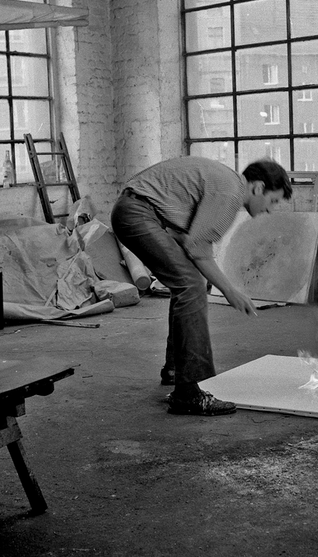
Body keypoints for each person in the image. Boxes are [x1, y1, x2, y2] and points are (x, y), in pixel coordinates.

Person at [110, 156, 292, 417]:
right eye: (273, 201)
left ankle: (176, 371)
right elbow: (197, 248)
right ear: (258, 188)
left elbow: (191, 241)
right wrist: (230, 290)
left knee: (190, 282)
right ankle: (189, 394)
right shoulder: (230, 193)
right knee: (192, 285)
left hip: (134, 209)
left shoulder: (227, 183)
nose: (270, 209)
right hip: (137, 213)